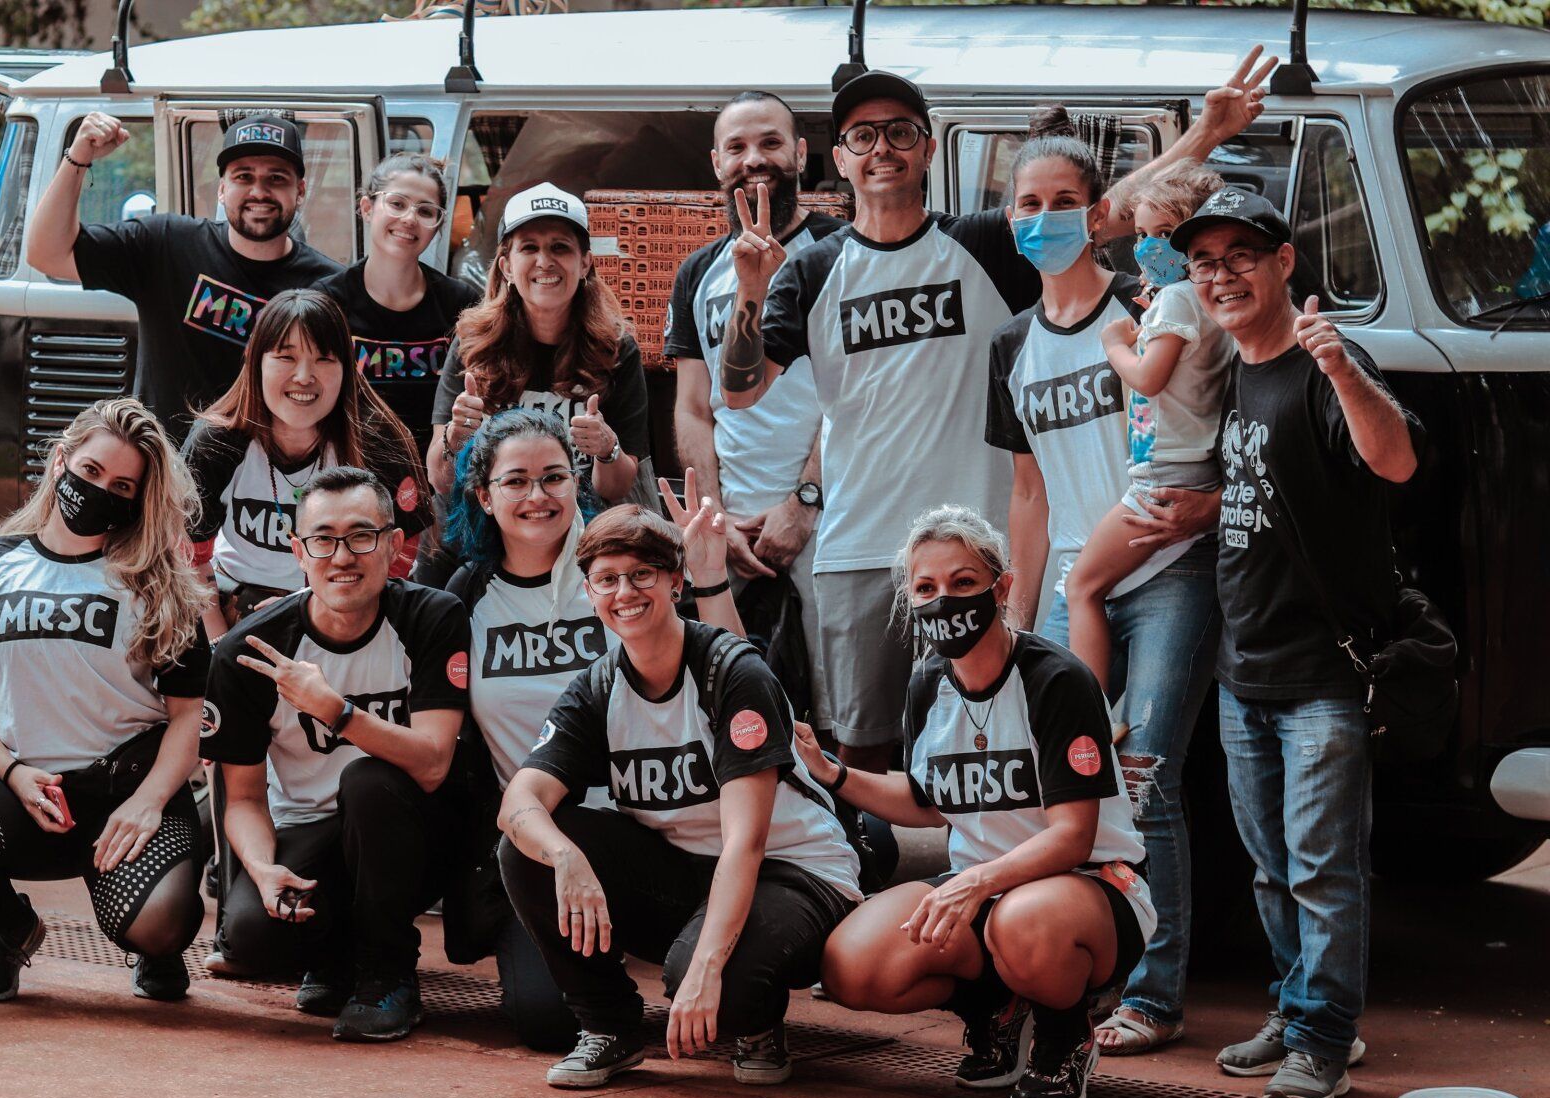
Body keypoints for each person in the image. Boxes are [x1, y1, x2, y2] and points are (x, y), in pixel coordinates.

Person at [718, 49, 1277, 773]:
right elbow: (741, 391)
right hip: (859, 547)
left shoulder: (981, 242)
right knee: (863, 748)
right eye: (862, 135)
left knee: (987, 746)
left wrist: (1207, 133)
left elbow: (1097, 209)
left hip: (976, 554)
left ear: (927, 150)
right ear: (840, 158)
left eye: (900, 132)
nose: (882, 148)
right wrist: (751, 289)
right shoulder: (813, 268)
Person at [1175, 188, 1420, 1098]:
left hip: (1322, 673)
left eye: (1242, 255)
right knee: (1273, 870)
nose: (1222, 275)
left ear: (1284, 263)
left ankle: (1322, 1040)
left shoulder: (1325, 362)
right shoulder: (1233, 370)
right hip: (1245, 668)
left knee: (1323, 869)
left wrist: (1342, 369)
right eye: (1205, 262)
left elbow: (1396, 461)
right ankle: (1297, 1008)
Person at [983, 122, 1224, 1058]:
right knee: (1068, 788)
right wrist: (1016, 621)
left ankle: (1155, 998)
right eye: (1027, 204)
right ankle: (1064, 978)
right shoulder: (1012, 343)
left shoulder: (1150, 302)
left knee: (1146, 779)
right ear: (1009, 217)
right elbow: (1028, 493)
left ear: (1098, 215)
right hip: (1069, 584)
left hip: (1165, 569)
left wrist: (1211, 504)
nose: (1043, 218)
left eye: (1062, 202)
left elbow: (1219, 413)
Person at [497, 504, 859, 1091]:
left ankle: (757, 1019)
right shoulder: (598, 686)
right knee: (528, 848)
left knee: (717, 988)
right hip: (685, 871)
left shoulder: (732, 672)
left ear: (675, 580)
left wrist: (708, 967)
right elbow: (519, 800)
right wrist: (565, 857)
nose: (625, 592)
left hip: (791, 870)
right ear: (589, 593)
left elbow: (746, 842)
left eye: (641, 574)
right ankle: (608, 1027)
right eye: (607, 579)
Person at [805, 506, 1153, 1098]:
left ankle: (1064, 1034)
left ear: (1002, 586)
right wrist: (831, 772)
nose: (944, 600)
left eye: (963, 582)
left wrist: (973, 883)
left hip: (1089, 886)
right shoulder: (927, 681)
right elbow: (927, 802)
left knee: (1021, 921)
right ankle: (996, 1008)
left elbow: (1072, 837)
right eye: (926, 587)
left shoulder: (1056, 679)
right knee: (852, 966)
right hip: (984, 890)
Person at [442, 411, 747, 1048]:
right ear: (484, 496)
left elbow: (733, 672)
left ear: (576, 483)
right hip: (546, 831)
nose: (537, 495)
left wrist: (710, 574)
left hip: (663, 820)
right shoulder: (467, 595)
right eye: (516, 481)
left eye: (554, 477)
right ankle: (611, 995)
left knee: (734, 992)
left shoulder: (617, 570)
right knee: (547, 1021)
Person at [0, 398, 212, 1004]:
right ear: (60, 461)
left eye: (121, 486)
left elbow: (187, 717)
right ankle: (10, 928)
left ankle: (154, 946)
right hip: (29, 790)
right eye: (91, 470)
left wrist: (148, 802)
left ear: (138, 500)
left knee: (162, 922)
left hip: (127, 790)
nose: (100, 490)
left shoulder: (156, 581)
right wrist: (12, 772)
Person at [199, 467, 470, 1043]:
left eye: (361, 536)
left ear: (394, 545)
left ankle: (387, 974)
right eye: (323, 539)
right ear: (298, 551)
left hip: (414, 830)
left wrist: (336, 711)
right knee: (250, 936)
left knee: (368, 782)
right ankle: (337, 955)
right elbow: (242, 799)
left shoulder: (432, 616)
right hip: (312, 832)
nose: (342, 556)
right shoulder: (250, 650)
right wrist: (262, 869)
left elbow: (432, 763)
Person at [665, 90, 840, 723]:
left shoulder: (842, 252)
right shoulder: (698, 272)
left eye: (770, 142)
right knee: (734, 706)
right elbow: (693, 407)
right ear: (717, 163)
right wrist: (714, 516)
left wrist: (805, 502)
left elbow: (857, 396)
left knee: (836, 714)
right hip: (733, 529)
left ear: (801, 153)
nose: (753, 158)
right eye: (736, 147)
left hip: (835, 521)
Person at [26, 111, 338, 441]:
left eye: (276, 178)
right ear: (222, 190)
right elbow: (47, 254)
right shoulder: (166, 244)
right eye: (243, 177)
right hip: (165, 466)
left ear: (300, 191)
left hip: (267, 472)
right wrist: (78, 157)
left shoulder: (329, 288)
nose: (259, 191)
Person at [1072, 160, 1234, 710]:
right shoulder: (1205, 299)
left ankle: (1087, 721)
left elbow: (1148, 378)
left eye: (1165, 234)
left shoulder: (1179, 299)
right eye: (1141, 234)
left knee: (1082, 587)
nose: (1146, 248)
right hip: (1192, 468)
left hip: (1161, 477)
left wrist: (1115, 343)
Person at [184, 290, 432, 627]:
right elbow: (188, 554)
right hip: (229, 602)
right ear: (256, 362)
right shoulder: (216, 442)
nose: (304, 376)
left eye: (324, 359)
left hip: (347, 608)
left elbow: (403, 550)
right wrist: (219, 641)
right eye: (286, 357)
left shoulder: (376, 442)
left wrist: (324, 614)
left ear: (347, 369)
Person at [430, 184, 651, 511]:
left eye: (560, 247)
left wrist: (607, 448)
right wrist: (455, 436)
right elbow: (441, 482)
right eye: (529, 247)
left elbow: (617, 489)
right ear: (507, 267)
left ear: (585, 264)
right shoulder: (472, 343)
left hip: (583, 523)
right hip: (492, 523)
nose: (544, 261)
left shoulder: (616, 349)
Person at [316, 154, 482, 458]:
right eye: (397, 203)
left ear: (438, 224)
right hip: (347, 471)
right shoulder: (327, 301)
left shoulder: (461, 304)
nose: (409, 218)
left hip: (436, 473)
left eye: (425, 211)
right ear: (367, 208)